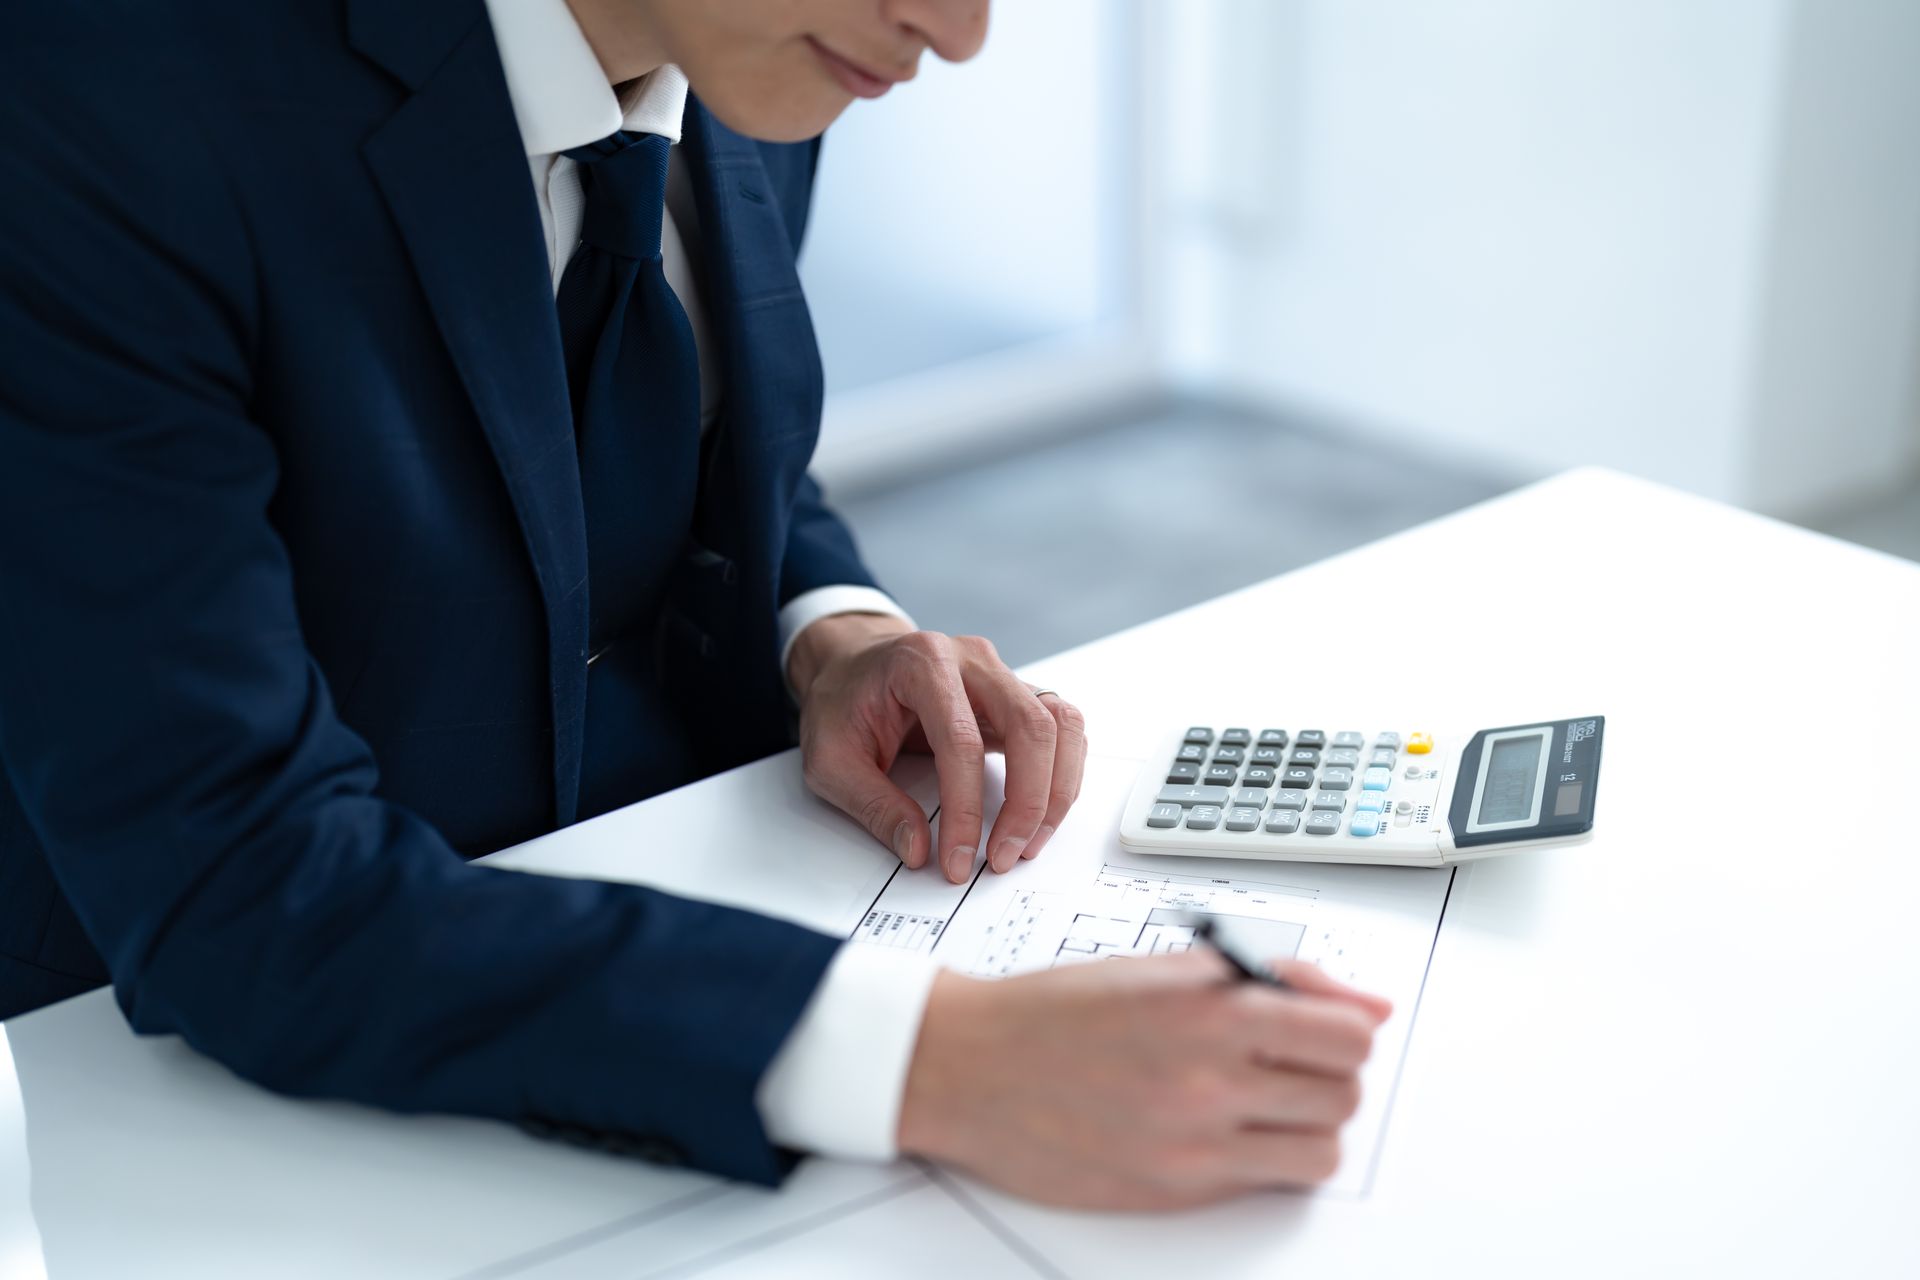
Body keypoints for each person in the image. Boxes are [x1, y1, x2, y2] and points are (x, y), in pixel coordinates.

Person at [0, 0, 1391, 1209]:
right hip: (195, 1093)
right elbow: (245, 889)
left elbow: (698, 445)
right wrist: (933, 1058)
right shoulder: (95, 100)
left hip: (652, 968)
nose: (961, 35)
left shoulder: (765, 50)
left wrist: (830, 629)